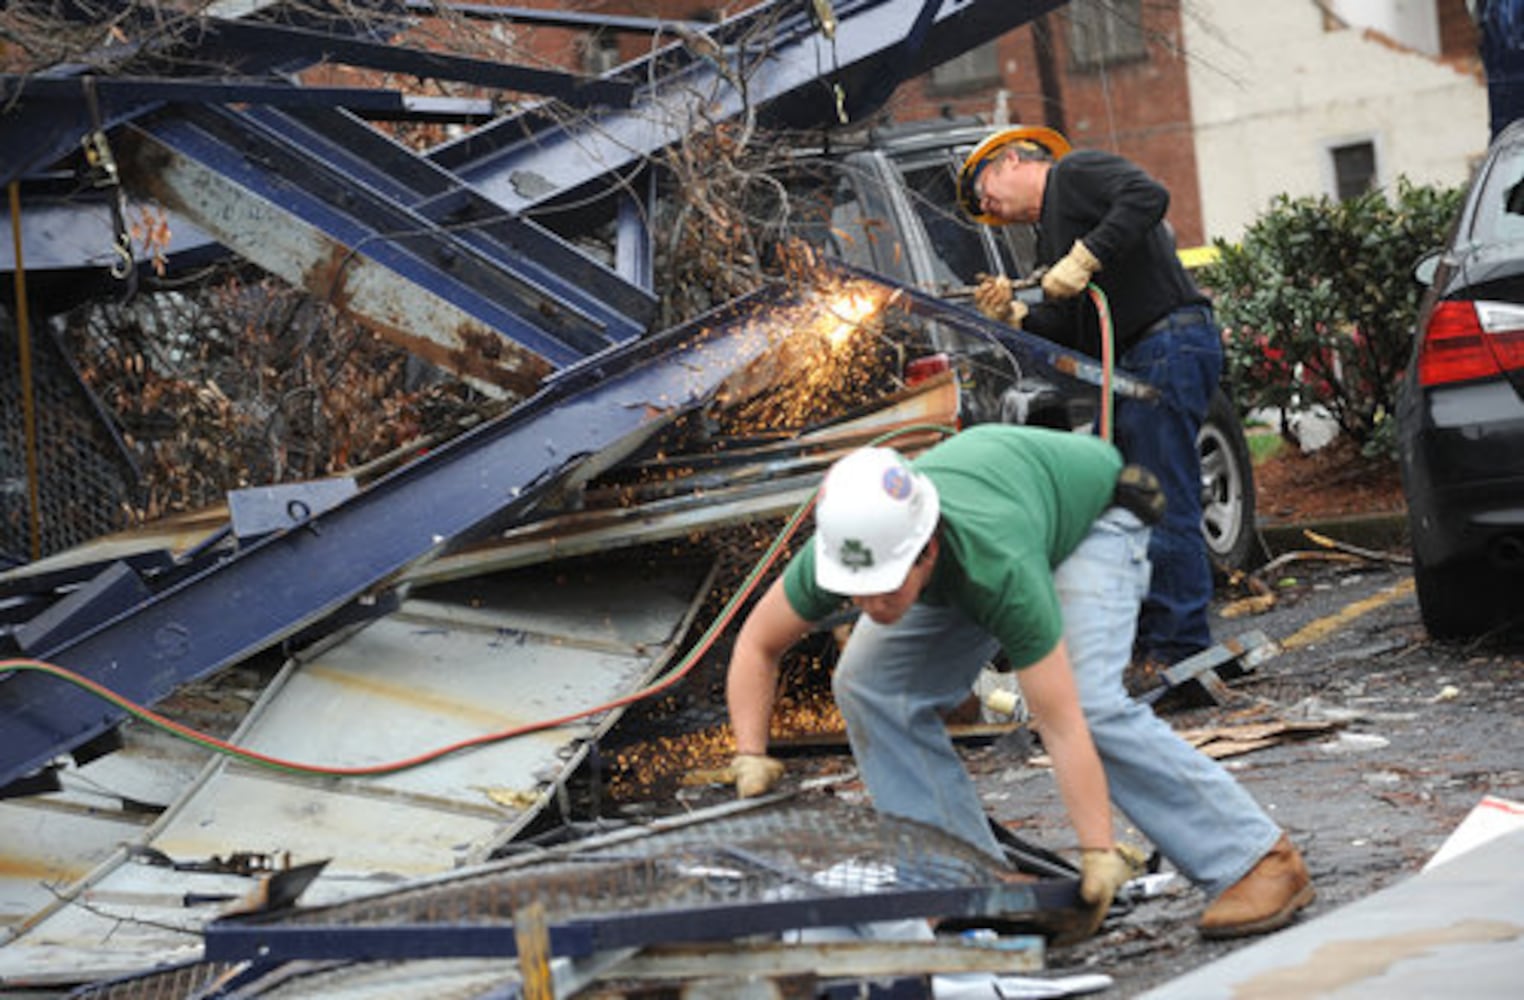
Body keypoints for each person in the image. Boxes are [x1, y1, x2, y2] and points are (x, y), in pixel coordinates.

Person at [724, 426, 1314, 939]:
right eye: (859, 590)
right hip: (994, 522)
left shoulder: (996, 562)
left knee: (1090, 703)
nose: (870, 605)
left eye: (886, 587)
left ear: (926, 551)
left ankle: (1255, 860)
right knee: (868, 683)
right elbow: (757, 644)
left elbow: (1060, 722)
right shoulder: (855, 545)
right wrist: (749, 754)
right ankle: (961, 885)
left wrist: (1097, 850)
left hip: (1091, 519)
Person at [957, 126, 1220, 674]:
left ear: (1011, 159)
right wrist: (1017, 316)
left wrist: (1086, 256)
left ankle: (1182, 648)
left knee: (1162, 496)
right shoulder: (1051, 237)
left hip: (1167, 342)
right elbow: (1077, 334)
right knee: (1137, 504)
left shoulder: (1074, 175)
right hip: (1139, 358)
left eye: (986, 194)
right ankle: (1156, 642)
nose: (990, 210)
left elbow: (1148, 196)